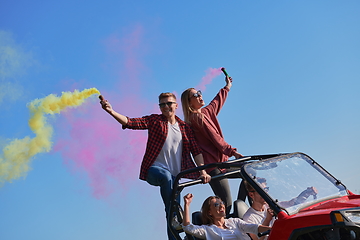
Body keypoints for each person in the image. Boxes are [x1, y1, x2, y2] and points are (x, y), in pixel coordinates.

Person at [100, 92, 211, 240]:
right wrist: (111, 111)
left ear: (176, 105)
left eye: (169, 103)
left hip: (175, 178)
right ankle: (173, 218)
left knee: (172, 211)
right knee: (167, 184)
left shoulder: (185, 127)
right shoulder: (155, 120)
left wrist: (202, 172)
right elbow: (131, 122)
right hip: (154, 170)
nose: (165, 107)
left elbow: (196, 151)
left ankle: (175, 233)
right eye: (162, 104)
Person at [181, 75, 244, 215]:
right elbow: (216, 138)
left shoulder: (206, 112)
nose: (200, 95)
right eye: (195, 95)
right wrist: (233, 152)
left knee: (250, 173)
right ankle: (226, 226)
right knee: (225, 205)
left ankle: (243, 212)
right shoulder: (196, 118)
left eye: (200, 92)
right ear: (189, 103)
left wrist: (227, 87)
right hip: (213, 167)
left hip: (222, 163)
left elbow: (217, 101)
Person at [182, 193, 271, 240]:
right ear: (209, 212)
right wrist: (187, 204)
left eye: (222, 203)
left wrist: (272, 229)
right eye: (216, 204)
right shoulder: (207, 230)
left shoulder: (235, 222)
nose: (221, 206)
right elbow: (187, 227)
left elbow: (254, 228)